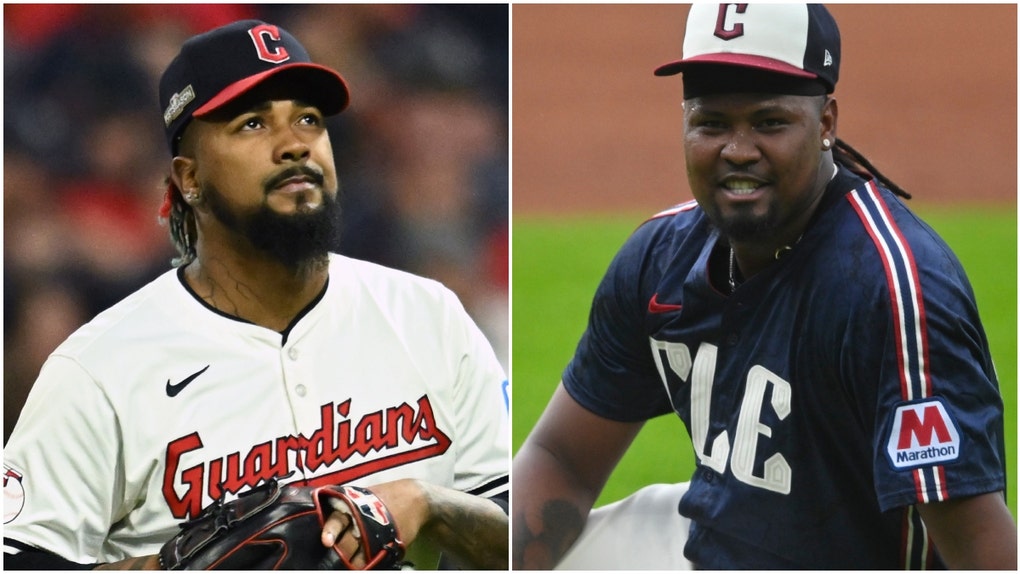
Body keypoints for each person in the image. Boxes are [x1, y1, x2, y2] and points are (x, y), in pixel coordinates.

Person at [512, 3, 1015, 569]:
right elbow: (563, 459)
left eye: (769, 122)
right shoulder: (660, 257)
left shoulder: (891, 292)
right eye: (712, 123)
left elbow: (980, 551)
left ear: (825, 124)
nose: (738, 149)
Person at [3, 19, 509, 570]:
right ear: (188, 177)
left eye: (309, 120)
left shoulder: (427, 316)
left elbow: (526, 532)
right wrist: (165, 568)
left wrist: (428, 504)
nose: (294, 145)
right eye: (252, 125)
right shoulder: (99, 367)